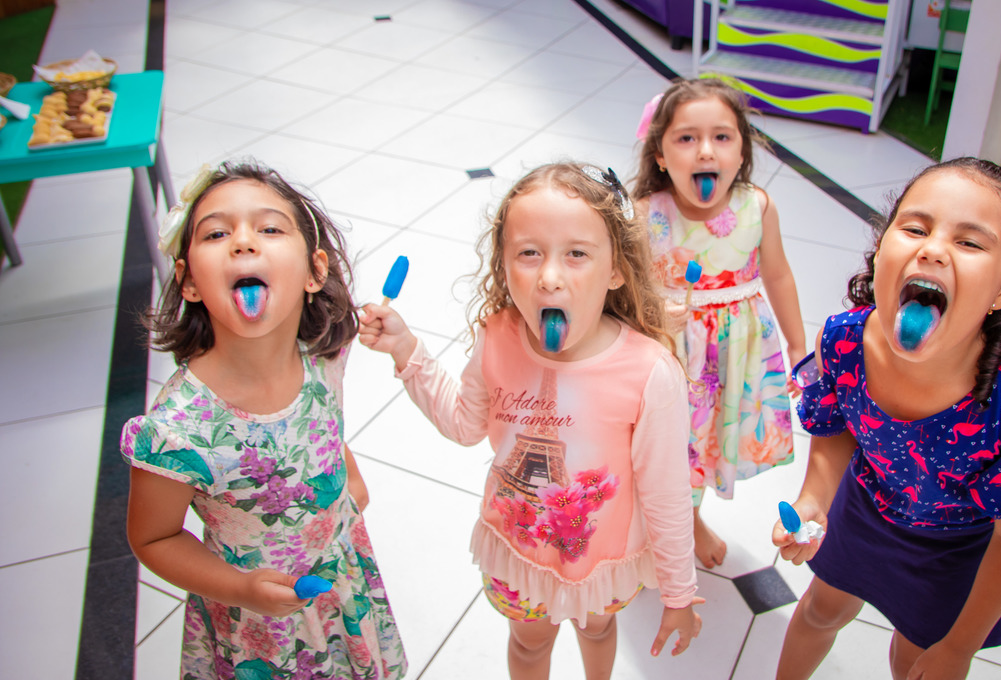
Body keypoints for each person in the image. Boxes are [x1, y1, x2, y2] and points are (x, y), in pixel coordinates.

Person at [358, 163, 702, 680]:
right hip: (516, 553)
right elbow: (463, 423)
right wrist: (407, 352)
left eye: (577, 254)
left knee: (598, 629)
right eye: (529, 253)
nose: (549, 276)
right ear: (504, 266)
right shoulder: (496, 336)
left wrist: (678, 591)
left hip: (602, 562)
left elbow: (667, 493)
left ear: (616, 270)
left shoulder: (649, 372)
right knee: (527, 645)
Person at [773, 157, 1001, 680]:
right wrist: (813, 500)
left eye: (970, 242)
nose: (932, 248)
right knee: (820, 611)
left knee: (917, 658)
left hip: (956, 553)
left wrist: (959, 647)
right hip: (865, 509)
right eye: (914, 228)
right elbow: (838, 429)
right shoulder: (844, 341)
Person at [121, 161, 406, 679]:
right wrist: (240, 588)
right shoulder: (175, 429)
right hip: (256, 621)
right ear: (186, 282)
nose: (244, 242)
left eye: (270, 228)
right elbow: (154, 538)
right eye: (216, 233)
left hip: (341, 579)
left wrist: (346, 477)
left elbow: (320, 427)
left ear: (315, 271)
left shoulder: (325, 358)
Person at [631, 76, 807, 568]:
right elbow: (626, 286)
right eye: (686, 138)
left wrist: (797, 346)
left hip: (736, 352)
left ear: (742, 153)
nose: (705, 151)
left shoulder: (756, 207)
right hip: (670, 352)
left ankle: (687, 518)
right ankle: (673, 522)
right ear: (660, 155)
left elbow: (778, 273)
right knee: (668, 443)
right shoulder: (648, 214)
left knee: (706, 443)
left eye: (722, 137)